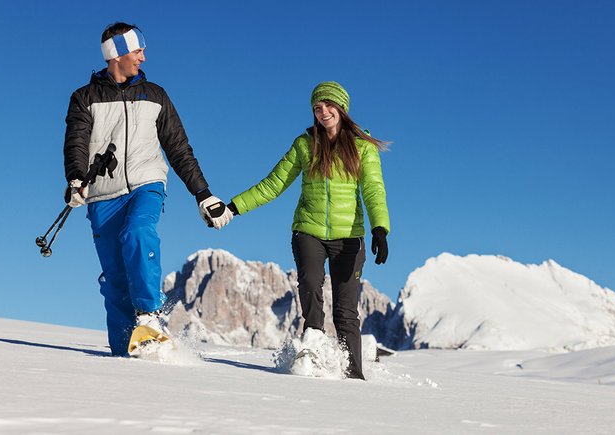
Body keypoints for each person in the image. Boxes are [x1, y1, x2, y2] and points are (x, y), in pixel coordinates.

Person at [63, 22, 233, 357]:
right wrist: (76, 178)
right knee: (115, 281)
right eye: (137, 50)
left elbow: (179, 148)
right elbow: (76, 143)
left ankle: (150, 316)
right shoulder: (84, 99)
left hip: (146, 184)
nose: (143, 56)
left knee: (138, 232)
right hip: (102, 196)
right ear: (117, 55)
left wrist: (204, 194)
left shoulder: (155, 95)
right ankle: (125, 357)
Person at [227, 81, 390, 379]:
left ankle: (353, 375)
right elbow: (273, 184)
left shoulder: (362, 147)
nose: (323, 112)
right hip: (309, 232)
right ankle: (311, 353)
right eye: (317, 107)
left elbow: (373, 190)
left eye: (329, 105)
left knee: (346, 311)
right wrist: (234, 207)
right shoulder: (305, 145)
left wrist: (380, 228)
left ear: (341, 108)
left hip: (349, 237)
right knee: (311, 286)